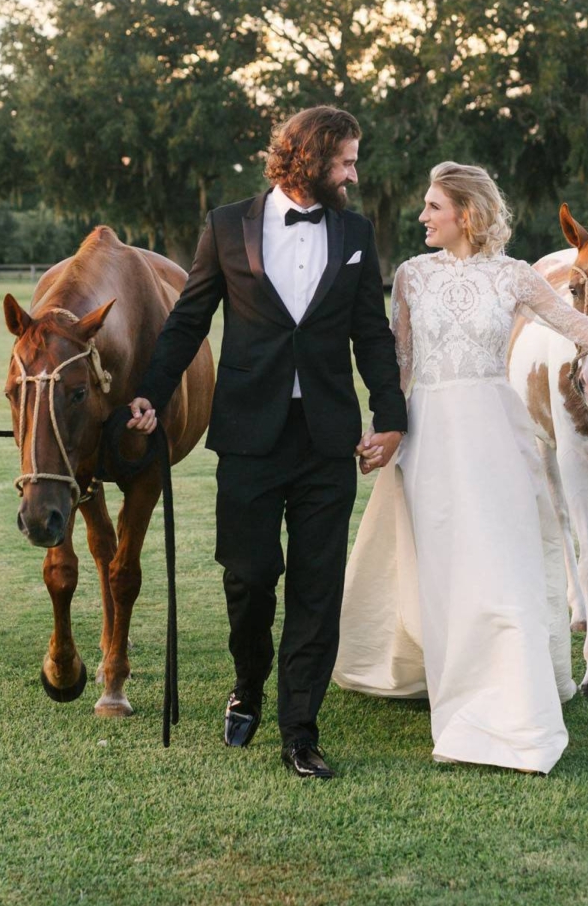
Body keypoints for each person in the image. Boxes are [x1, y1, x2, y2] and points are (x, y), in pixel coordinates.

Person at [333, 162, 588, 774]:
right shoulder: (409, 277)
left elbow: (580, 325)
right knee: (442, 564)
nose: (421, 216)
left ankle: (505, 700)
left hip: (493, 431)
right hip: (429, 435)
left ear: (467, 214)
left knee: (501, 561)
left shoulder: (516, 277)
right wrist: (385, 431)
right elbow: (399, 364)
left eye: (433, 207)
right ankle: (445, 671)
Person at [127, 106, 407, 780]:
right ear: (309, 159)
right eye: (345, 160)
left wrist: (390, 414)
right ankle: (247, 682)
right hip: (249, 435)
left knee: (317, 588)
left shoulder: (357, 233)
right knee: (249, 577)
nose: (353, 172)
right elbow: (190, 317)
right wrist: (151, 392)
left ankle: (299, 730)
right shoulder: (226, 225)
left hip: (327, 439)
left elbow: (371, 333)